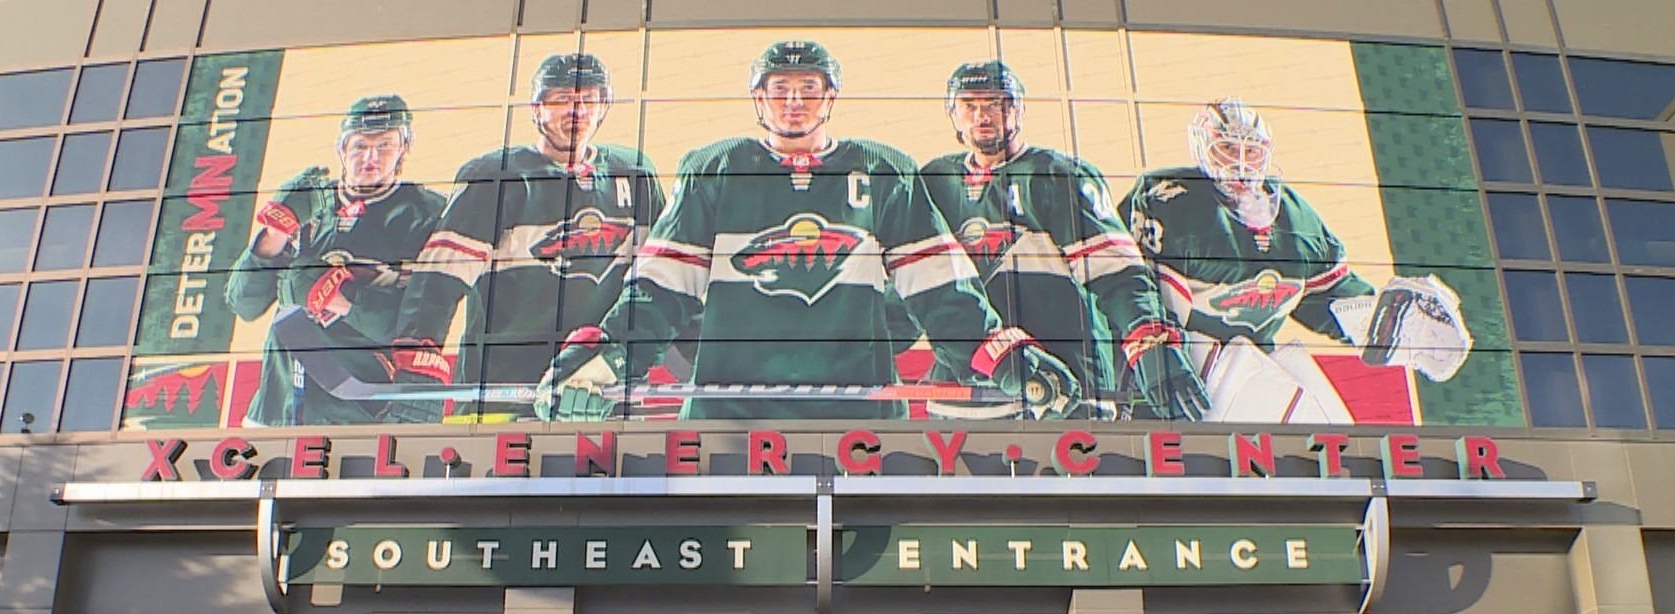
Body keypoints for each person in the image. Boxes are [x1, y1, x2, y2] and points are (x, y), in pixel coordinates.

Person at [537, 40, 1083, 422]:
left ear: (830, 96)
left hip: (859, 416)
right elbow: (659, 288)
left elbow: (944, 292)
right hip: (728, 417)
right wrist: (603, 358)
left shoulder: (884, 170)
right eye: (780, 88)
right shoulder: (716, 168)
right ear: (759, 98)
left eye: (808, 87)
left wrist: (1005, 354)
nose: (794, 100)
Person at [1124, 98, 1472, 422]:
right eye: (1229, 148)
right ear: (1205, 146)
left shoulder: (1296, 221)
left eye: (1252, 150)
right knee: (1280, 409)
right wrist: (1152, 347)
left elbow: (1330, 298)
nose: (1242, 162)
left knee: (1335, 432)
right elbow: (1126, 286)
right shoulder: (1170, 198)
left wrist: (1384, 322)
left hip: (1251, 358)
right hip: (1171, 359)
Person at [920, 61, 1205, 421]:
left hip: (1067, 386)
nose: (982, 116)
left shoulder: (1057, 175)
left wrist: (1148, 341)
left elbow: (1116, 272)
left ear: (1019, 108)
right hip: (967, 395)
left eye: (995, 103)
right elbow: (916, 285)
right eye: (969, 106)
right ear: (953, 114)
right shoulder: (935, 181)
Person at [390, 54, 666, 420]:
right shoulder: (495, 176)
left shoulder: (635, 174)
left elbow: (666, 281)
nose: (576, 110)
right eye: (561, 99)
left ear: (604, 105)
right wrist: (417, 362)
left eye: (588, 99)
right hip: (503, 394)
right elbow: (440, 277)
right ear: (537, 108)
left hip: (602, 393)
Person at [224, 95, 448, 426]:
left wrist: (339, 300)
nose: (371, 156)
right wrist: (276, 231)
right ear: (342, 149)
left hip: (355, 411)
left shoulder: (428, 214)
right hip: (276, 408)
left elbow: (422, 328)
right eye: (359, 145)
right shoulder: (310, 201)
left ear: (404, 148)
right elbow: (243, 304)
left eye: (385, 144)